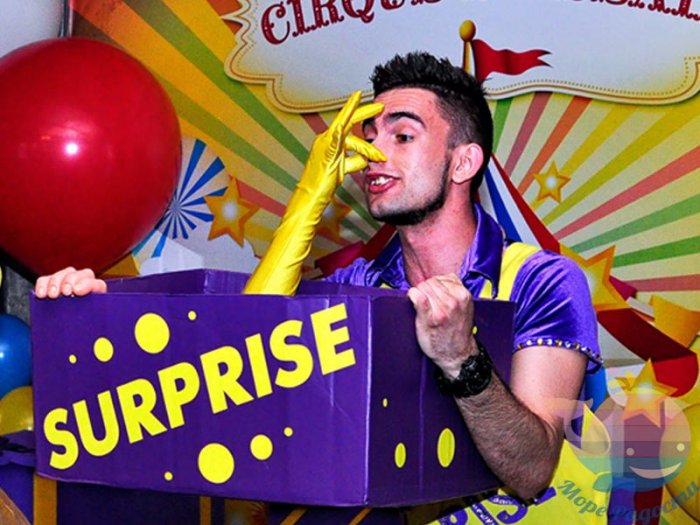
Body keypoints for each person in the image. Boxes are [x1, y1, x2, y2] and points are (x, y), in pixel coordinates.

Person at [35, 52, 600, 507]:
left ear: (463, 162)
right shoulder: (359, 282)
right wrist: (96, 319)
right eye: (370, 135)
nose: (373, 153)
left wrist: (462, 359)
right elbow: (242, 360)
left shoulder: (543, 281)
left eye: (402, 137)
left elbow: (532, 470)